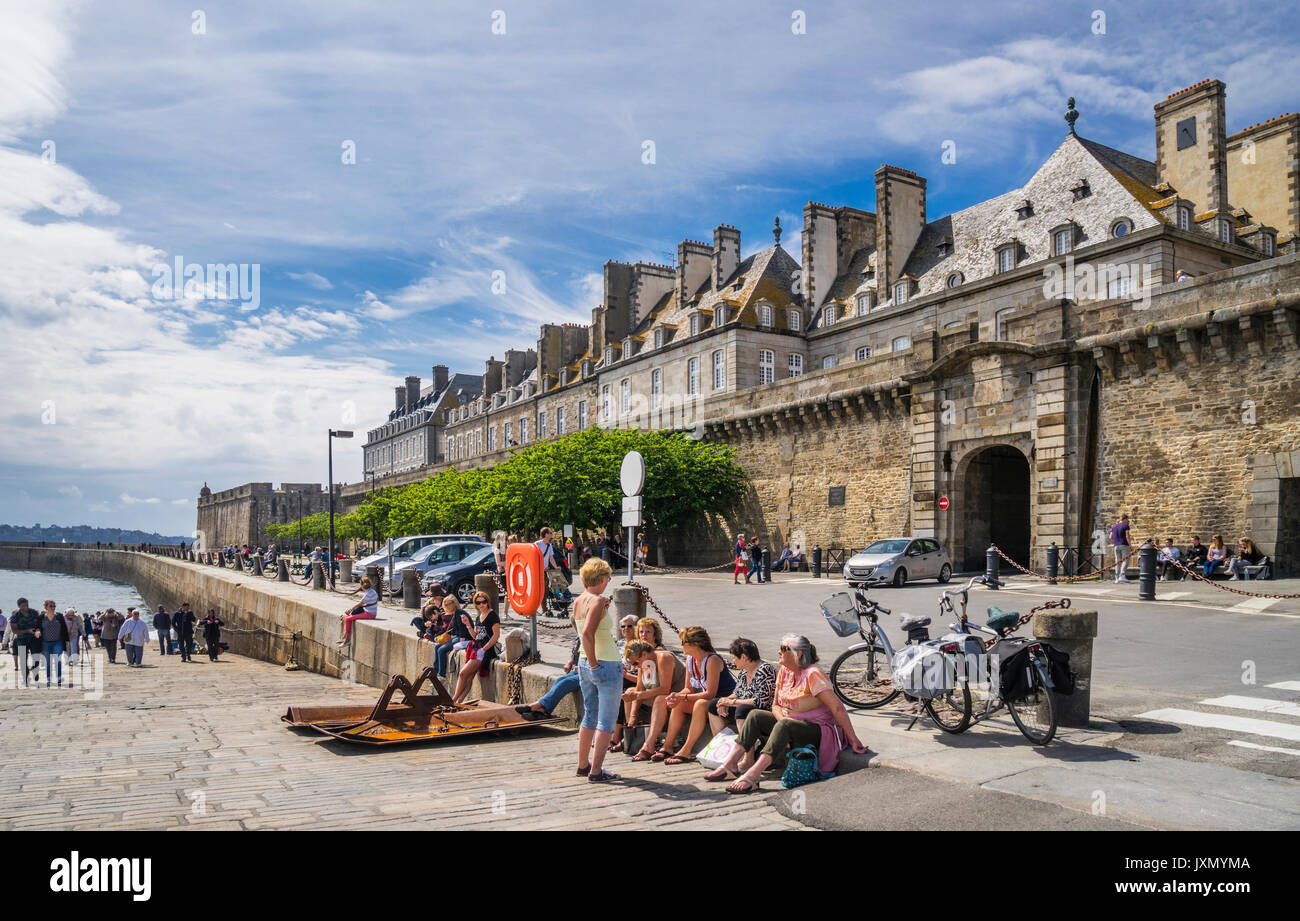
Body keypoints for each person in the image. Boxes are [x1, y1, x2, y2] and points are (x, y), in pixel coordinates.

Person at [709, 634, 868, 793]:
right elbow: (775, 705)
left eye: (783, 648)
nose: (779, 652)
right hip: (789, 723)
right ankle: (730, 764)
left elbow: (837, 708)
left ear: (798, 653)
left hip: (818, 728)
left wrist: (853, 739)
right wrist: (782, 720)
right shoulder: (785, 671)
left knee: (785, 724)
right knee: (755, 716)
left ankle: (753, 775)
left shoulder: (813, 674)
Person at [649, 626, 737, 764]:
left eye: (684, 642)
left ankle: (687, 750)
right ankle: (668, 746)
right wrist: (676, 696)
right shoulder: (690, 659)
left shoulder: (712, 660)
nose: (681, 645)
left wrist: (682, 697)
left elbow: (710, 694)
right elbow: (688, 689)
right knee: (679, 704)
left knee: (700, 703)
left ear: (696, 644)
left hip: (724, 703)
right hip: (710, 702)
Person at [572, 557, 620, 783]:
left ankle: (583, 765)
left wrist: (588, 661)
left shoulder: (579, 600)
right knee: (606, 721)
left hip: (583, 661)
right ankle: (596, 770)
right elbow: (587, 634)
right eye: (608, 578)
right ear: (602, 578)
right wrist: (595, 664)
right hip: (605, 662)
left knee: (589, 715)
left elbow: (578, 628)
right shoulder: (598, 600)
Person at [708, 638, 778, 737]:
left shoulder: (765, 670)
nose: (733, 661)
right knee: (714, 704)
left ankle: (745, 746)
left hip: (762, 713)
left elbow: (760, 702)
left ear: (744, 657)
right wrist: (724, 701)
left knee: (742, 709)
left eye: (734, 657)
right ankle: (722, 743)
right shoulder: (744, 671)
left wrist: (731, 702)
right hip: (742, 708)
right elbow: (737, 693)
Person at [515, 635, 582, 721]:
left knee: (564, 683)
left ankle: (535, 706)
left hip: (589, 672)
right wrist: (570, 661)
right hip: (579, 670)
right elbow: (577, 650)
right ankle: (544, 710)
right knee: (558, 680)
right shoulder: (581, 632)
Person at [453, 591, 502, 704]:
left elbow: (496, 636)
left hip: (485, 650)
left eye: (483, 602)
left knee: (462, 674)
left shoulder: (492, 616)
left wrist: (483, 650)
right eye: (478, 602)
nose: (481, 605)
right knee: (469, 678)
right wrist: (468, 625)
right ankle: (459, 701)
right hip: (476, 648)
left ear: (487, 602)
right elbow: (475, 635)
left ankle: (453, 700)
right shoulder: (479, 616)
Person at [434, 595, 472, 680]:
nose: (447, 606)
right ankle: (435, 670)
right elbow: (454, 628)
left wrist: (462, 638)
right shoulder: (454, 613)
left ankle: (442, 674)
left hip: (464, 637)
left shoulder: (459, 612)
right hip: (456, 636)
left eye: (449, 604)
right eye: (445, 605)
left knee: (441, 650)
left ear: (454, 603)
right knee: (437, 646)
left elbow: (462, 626)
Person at [338, 577, 379, 646]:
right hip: (369, 611)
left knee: (348, 619)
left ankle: (347, 640)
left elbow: (360, 603)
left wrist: (350, 609)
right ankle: (344, 636)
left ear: (362, 585)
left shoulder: (368, 593)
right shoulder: (372, 591)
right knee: (348, 616)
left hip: (369, 614)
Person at [39, 600, 68, 685]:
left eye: (54, 606)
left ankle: (59, 677)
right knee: (48, 662)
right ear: (46, 607)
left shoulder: (59, 616)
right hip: (45, 643)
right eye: (51, 606)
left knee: (57, 660)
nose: (53, 608)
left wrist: (67, 640)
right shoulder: (41, 617)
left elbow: (64, 628)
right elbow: (37, 628)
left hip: (57, 642)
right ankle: (49, 678)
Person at [1111, 514, 1132, 582]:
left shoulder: (1114, 526)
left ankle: (1116, 578)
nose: (1127, 521)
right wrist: (1130, 545)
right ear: (1124, 519)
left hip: (1116, 545)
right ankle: (1122, 575)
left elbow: (1110, 537)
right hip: (1124, 545)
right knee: (1126, 560)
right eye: (1127, 520)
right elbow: (1127, 536)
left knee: (1117, 561)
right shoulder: (1125, 525)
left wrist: (1116, 540)